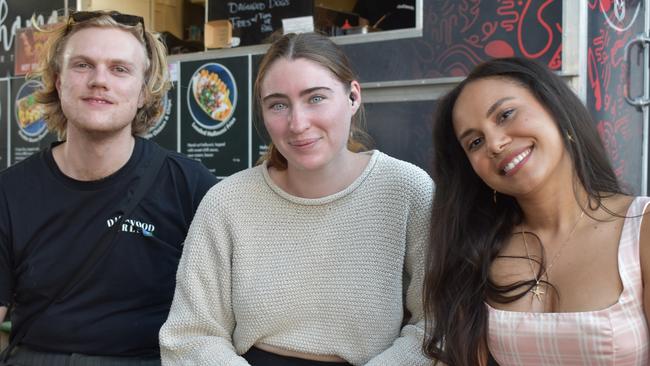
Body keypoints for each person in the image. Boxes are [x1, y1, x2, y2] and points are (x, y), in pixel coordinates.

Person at [159, 32, 433, 366]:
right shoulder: (226, 202)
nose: (298, 123)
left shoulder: (408, 190)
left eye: (316, 98)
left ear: (353, 97)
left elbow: (436, 326)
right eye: (278, 104)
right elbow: (190, 335)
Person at [0, 10, 217, 365]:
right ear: (58, 81)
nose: (100, 80)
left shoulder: (189, 186)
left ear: (144, 92)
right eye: (83, 65)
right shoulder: (10, 192)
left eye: (120, 69)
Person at [423, 57, 649, 366]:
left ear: (555, 108)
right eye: (475, 141)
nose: (495, 143)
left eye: (506, 114)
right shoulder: (477, 251)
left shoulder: (640, 228)